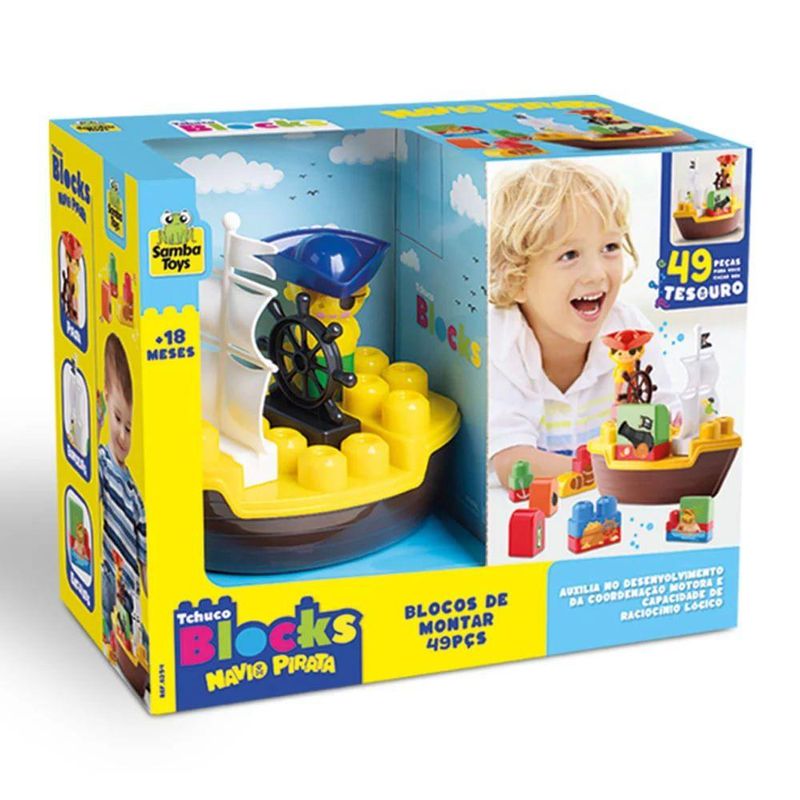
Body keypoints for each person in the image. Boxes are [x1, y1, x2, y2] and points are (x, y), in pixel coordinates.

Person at [488, 160, 673, 487]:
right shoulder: (500, 343)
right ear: (516, 279)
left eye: (610, 247)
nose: (596, 274)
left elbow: (666, 422)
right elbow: (512, 463)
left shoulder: (629, 334)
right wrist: (609, 473)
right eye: (570, 255)